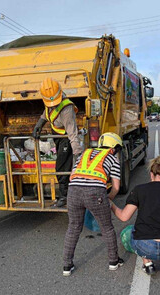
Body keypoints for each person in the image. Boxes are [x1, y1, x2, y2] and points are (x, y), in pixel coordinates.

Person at [62, 132, 125, 276]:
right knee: (107, 228)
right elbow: (116, 187)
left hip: (73, 191)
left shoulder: (84, 154)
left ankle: (67, 265)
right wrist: (107, 198)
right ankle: (113, 261)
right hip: (95, 192)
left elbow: (75, 175)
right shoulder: (112, 159)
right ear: (114, 148)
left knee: (73, 227)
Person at [32, 78, 83, 207]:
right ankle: (66, 195)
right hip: (58, 138)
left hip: (66, 139)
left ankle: (65, 197)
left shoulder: (66, 108)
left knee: (62, 168)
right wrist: (39, 125)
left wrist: (78, 154)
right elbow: (47, 114)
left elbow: (72, 132)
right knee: (61, 167)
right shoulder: (49, 100)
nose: (52, 104)